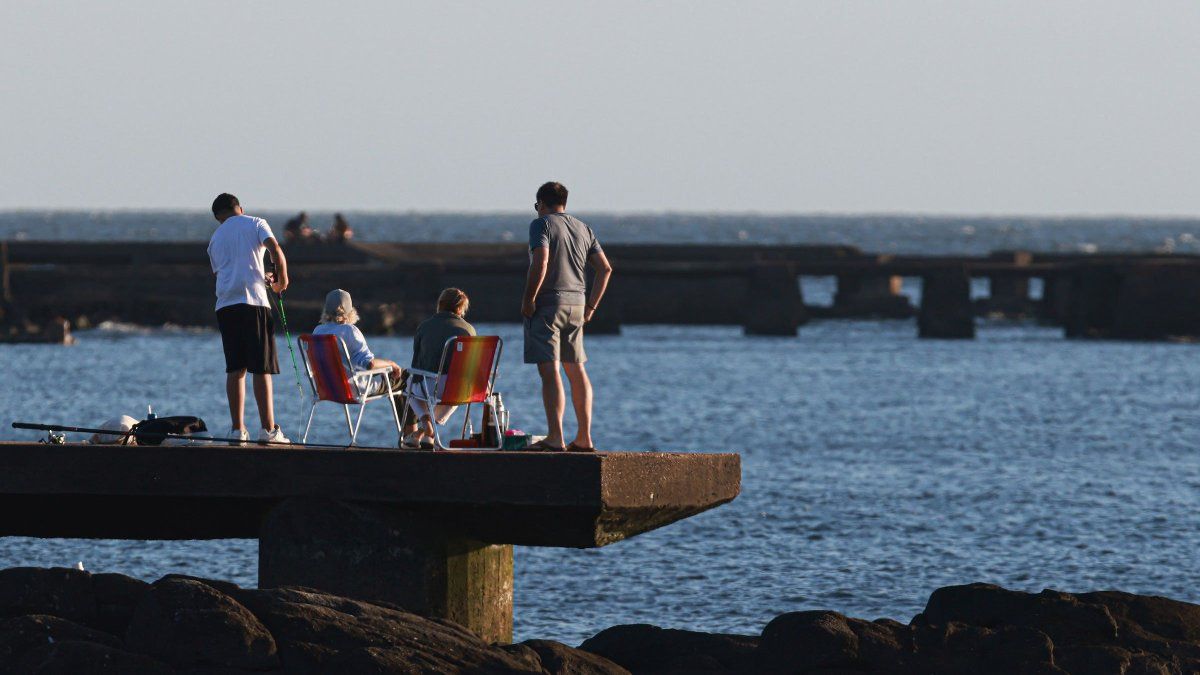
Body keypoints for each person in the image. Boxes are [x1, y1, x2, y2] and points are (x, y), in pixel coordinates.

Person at [520, 181, 613, 452]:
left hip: (549, 305)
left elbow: (541, 261)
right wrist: (591, 308)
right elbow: (605, 269)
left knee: (550, 371)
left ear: (541, 203)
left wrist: (528, 299)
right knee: (576, 369)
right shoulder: (584, 228)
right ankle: (584, 437)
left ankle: (555, 437)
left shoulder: (541, 224)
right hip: (577, 304)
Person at [207, 193, 291, 444]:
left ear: (218, 217)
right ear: (240, 208)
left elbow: (228, 272)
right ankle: (268, 430)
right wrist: (281, 280)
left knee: (235, 369)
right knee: (261, 368)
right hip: (254, 302)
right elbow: (275, 249)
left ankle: (237, 431)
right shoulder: (256, 223)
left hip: (226, 306)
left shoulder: (215, 239)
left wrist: (261, 275)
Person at [311, 289, 407, 443]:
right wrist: (392, 364)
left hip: (328, 388)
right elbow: (369, 364)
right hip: (354, 389)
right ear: (350, 311)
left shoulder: (318, 331)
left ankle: (411, 436)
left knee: (389, 376)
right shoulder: (349, 331)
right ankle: (410, 437)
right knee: (405, 378)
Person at [406, 288, 475, 449]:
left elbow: (416, 361)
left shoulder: (424, 326)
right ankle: (426, 431)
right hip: (458, 390)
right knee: (459, 389)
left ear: (440, 304)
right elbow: (471, 367)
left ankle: (425, 424)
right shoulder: (469, 330)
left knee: (408, 384)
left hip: (429, 386)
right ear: (460, 309)